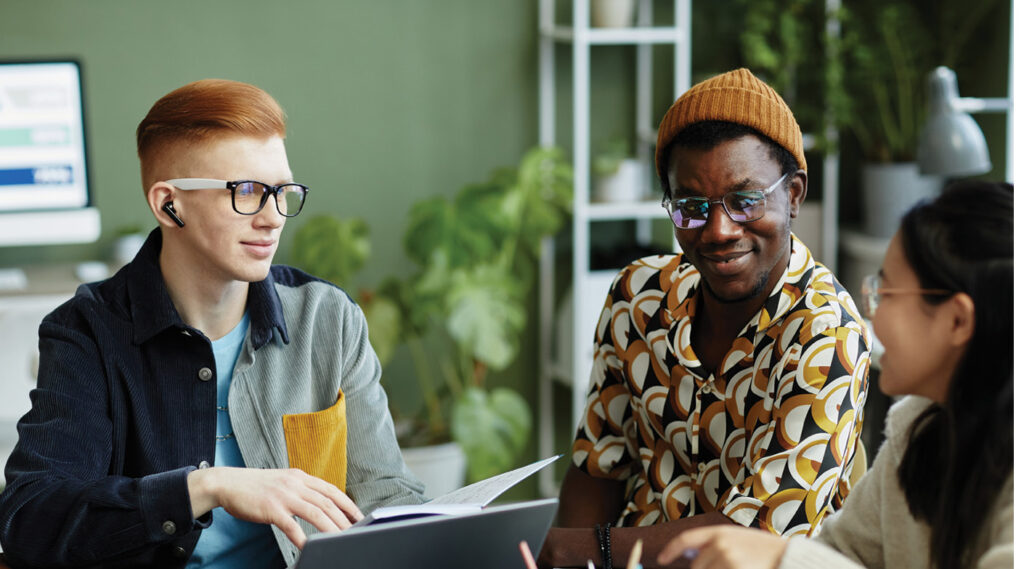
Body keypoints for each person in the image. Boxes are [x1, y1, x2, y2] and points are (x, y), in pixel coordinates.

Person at [0, 79, 425, 568]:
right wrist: (207, 487)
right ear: (169, 204)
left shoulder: (327, 319)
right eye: (246, 191)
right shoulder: (87, 333)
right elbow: (32, 519)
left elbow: (388, 494)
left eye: (282, 191)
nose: (273, 217)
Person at [538, 68, 872, 569]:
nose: (717, 231)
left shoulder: (827, 332)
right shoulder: (638, 298)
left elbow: (750, 540)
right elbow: (597, 467)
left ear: (795, 195)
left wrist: (585, 551)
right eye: (691, 207)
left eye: (745, 201)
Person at [659, 180, 1014, 569]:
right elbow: (841, 553)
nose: (871, 313)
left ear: (958, 320)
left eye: (886, 293)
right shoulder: (919, 432)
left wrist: (782, 556)